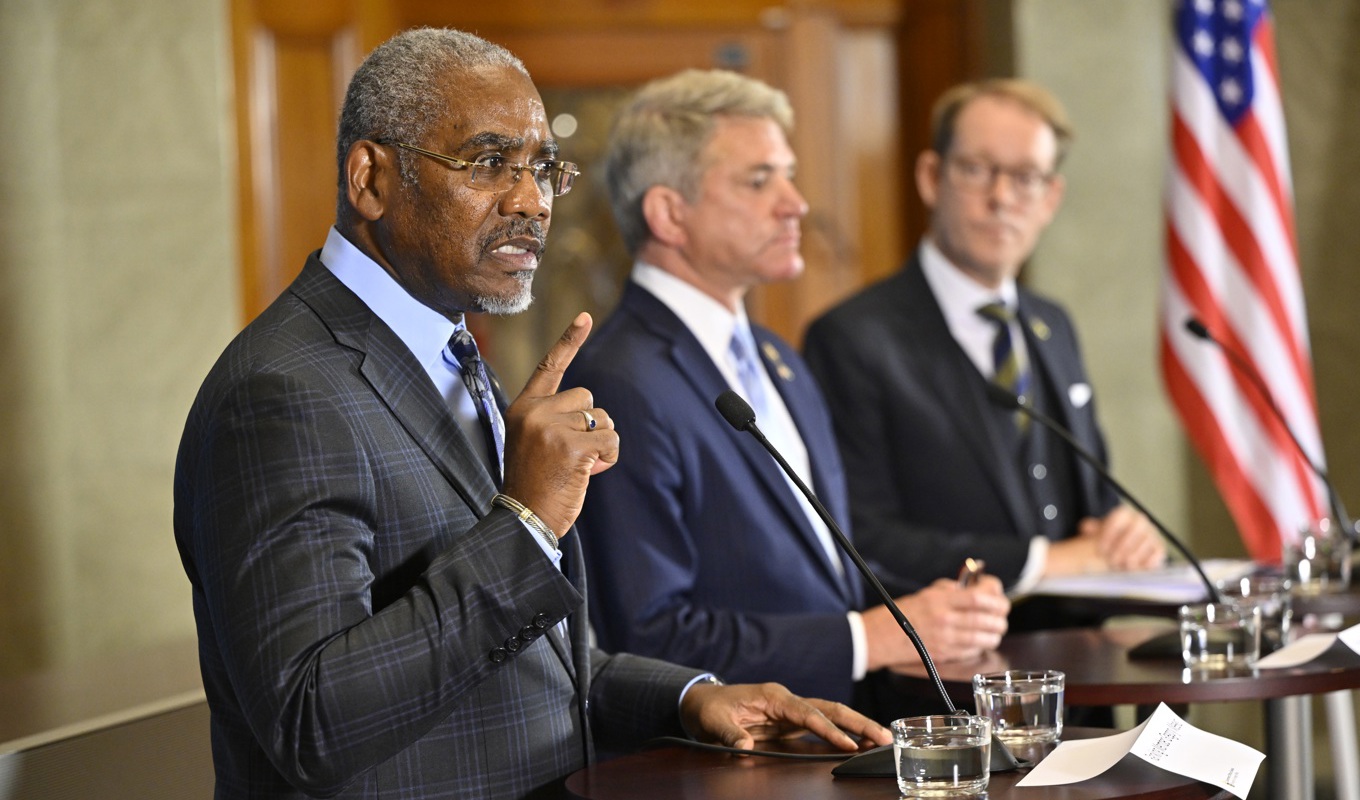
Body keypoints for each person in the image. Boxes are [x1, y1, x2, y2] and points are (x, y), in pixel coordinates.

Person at [173, 29, 889, 800]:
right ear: (370, 178)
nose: (531, 201)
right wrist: (526, 521)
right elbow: (311, 723)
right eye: (488, 164)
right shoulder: (282, 392)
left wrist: (693, 697)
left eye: (543, 168)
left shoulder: (449, 345)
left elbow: (535, 660)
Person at [563, 69, 1010, 720]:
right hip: (724, 767)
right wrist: (866, 639)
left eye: (789, 174)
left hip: (837, 739)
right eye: (758, 179)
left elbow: (822, 568)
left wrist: (941, 611)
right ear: (668, 213)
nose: (796, 203)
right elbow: (647, 637)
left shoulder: (780, 359)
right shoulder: (619, 381)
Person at [804, 78, 1166, 618]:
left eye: (1025, 178)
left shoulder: (1053, 324)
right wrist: (1040, 561)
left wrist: (1123, 533)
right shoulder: (852, 337)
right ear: (931, 177)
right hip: (947, 683)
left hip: (1085, 677)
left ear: (1050, 198)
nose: (1000, 198)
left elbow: (1087, 498)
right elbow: (861, 536)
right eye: (976, 170)